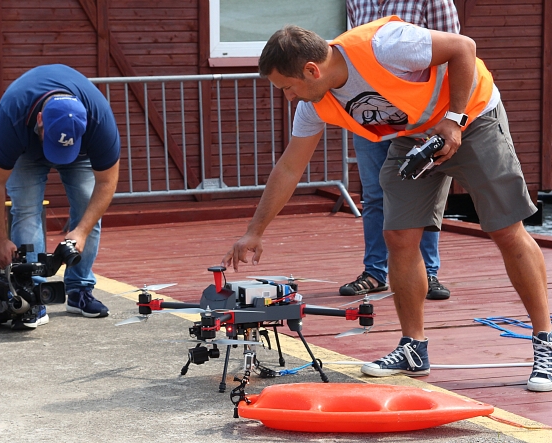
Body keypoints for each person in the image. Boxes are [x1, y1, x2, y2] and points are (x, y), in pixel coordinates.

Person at [222, 17, 552, 391]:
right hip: (413, 136)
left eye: (287, 87)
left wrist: (454, 121)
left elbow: (464, 47)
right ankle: (414, 349)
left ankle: (546, 341)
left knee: (506, 230)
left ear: (312, 70)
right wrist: (254, 232)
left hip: (471, 119)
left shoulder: (385, 45)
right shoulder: (314, 105)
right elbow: (289, 168)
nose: (289, 97)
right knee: (398, 235)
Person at [340, 0, 459, 300]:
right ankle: (376, 272)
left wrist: (448, 117)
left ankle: (427, 272)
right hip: (370, 111)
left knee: (422, 191)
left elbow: (454, 51)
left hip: (418, 112)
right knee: (374, 193)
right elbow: (352, 52)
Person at [0, 64, 121, 327]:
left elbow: (106, 182)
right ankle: (32, 294)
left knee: (87, 205)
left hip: (79, 154)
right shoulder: (12, 112)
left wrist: (80, 231)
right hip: (26, 151)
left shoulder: (98, 118)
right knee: (25, 209)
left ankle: (79, 289)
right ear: (40, 120)